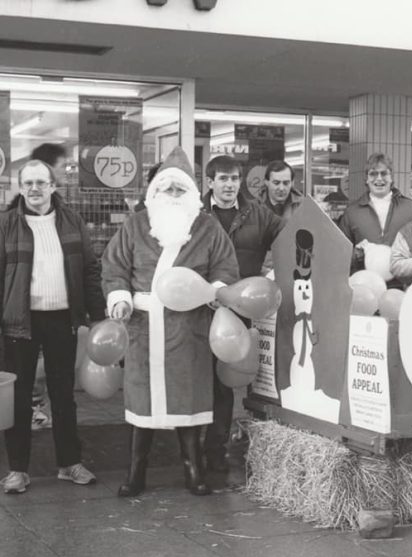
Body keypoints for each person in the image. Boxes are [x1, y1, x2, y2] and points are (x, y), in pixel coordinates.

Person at [102, 147, 240, 497]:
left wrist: (216, 290)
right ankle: (136, 473)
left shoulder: (207, 228)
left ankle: (194, 471)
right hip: (143, 327)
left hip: (188, 326)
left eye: (180, 189)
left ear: (192, 193)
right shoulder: (135, 225)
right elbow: (114, 266)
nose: (174, 196)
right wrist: (119, 297)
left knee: (187, 401)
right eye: (167, 189)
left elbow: (225, 267)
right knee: (142, 405)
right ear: (155, 192)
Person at [0, 159, 105, 494]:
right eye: (28, 183)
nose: (35, 189)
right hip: (18, 321)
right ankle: (17, 470)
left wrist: (100, 318)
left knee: (64, 396)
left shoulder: (72, 221)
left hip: (62, 319)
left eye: (41, 182)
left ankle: (69, 463)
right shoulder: (5, 225)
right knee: (19, 399)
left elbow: (90, 272)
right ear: (20, 188)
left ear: (53, 186)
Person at [202, 155, 283, 472]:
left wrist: (277, 274)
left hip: (244, 310)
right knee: (205, 381)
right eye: (222, 178)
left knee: (237, 382)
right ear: (209, 182)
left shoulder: (257, 213)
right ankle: (201, 448)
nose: (229, 184)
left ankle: (222, 447)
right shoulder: (195, 215)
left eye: (234, 178)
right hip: (202, 308)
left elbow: (290, 238)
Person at [28, 143, 69, 431]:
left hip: (59, 304)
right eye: (63, 166)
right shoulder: (15, 216)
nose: (67, 171)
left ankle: (37, 407)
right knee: (37, 363)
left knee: (54, 367)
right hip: (29, 304)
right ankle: (33, 406)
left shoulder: (63, 211)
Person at [338, 153, 412, 285]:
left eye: (384, 173)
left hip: (403, 285)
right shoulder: (352, 212)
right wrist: (357, 254)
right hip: (366, 287)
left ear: (392, 177)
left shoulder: (411, 208)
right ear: (366, 178)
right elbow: (340, 254)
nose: (379, 178)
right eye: (373, 174)